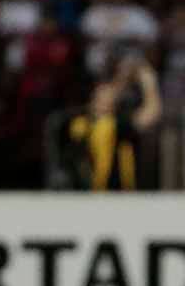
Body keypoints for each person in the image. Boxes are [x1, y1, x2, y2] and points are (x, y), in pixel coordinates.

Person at [69, 56, 161, 191]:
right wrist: (149, 83)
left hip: (88, 195)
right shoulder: (112, 125)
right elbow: (152, 114)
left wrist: (122, 77)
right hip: (110, 195)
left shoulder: (79, 123)